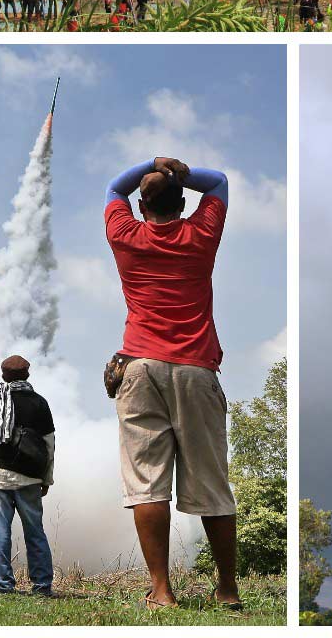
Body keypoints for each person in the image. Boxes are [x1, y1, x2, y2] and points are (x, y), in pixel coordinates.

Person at [104, 155, 242, 610]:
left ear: (143, 208)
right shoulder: (200, 235)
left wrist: (151, 163)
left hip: (139, 366)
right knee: (212, 485)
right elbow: (218, 181)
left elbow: (113, 189)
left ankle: (161, 590)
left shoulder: (126, 235)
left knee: (148, 484)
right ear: (184, 204)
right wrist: (178, 172)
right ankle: (226, 589)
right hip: (197, 370)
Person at [0, 354, 55, 597]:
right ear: (27, 375)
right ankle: (42, 587)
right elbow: (49, 444)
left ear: (3, 376)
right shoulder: (39, 403)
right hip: (30, 477)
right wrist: (47, 478)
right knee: (35, 531)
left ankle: (4, 587)